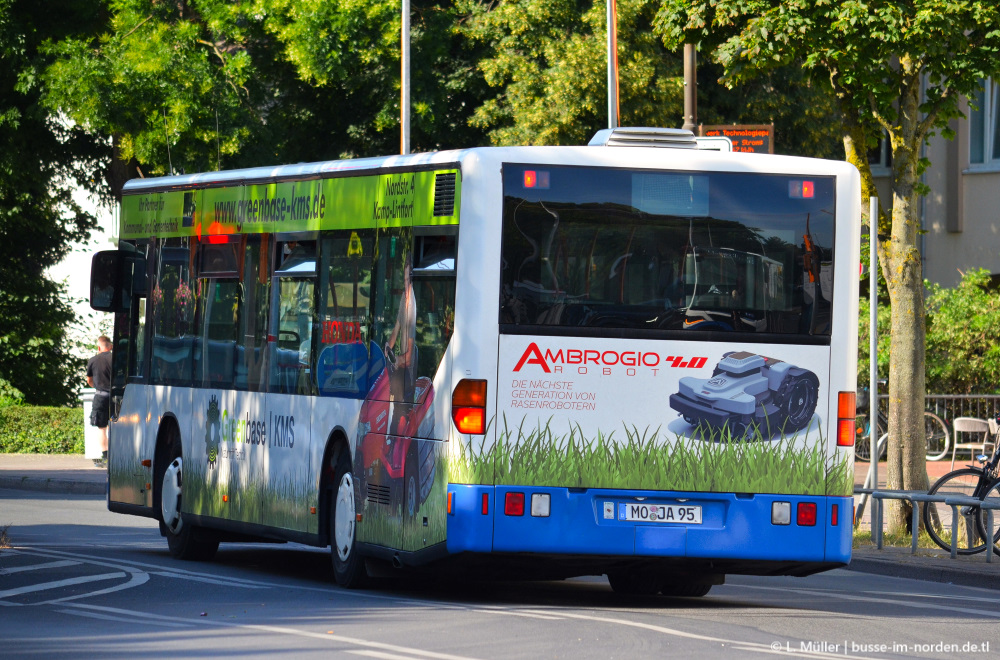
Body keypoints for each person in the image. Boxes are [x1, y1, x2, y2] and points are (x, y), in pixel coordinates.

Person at [386, 253, 416, 435]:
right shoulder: (403, 299)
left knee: (394, 417)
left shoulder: (411, 306)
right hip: (399, 368)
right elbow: (396, 329)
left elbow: (409, 357)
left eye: (407, 280)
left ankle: (392, 437)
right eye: (403, 280)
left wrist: (396, 360)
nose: (405, 285)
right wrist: (387, 348)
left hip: (407, 374)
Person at [87, 336, 113, 467]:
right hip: (116, 397)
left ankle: (106, 457)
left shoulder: (93, 360)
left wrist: (97, 387)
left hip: (100, 397)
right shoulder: (116, 359)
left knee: (102, 428)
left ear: (99, 347)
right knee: (116, 425)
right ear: (111, 346)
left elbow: (89, 381)